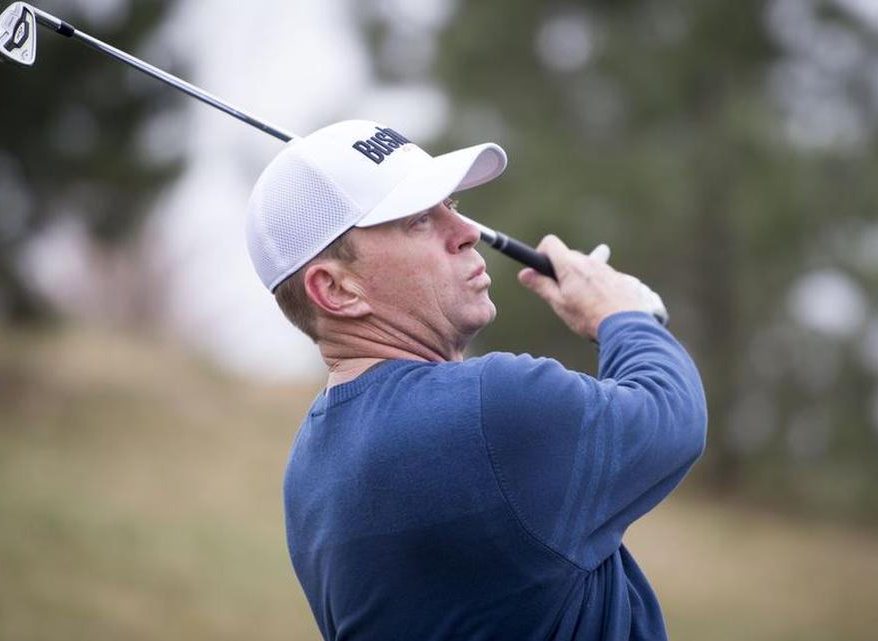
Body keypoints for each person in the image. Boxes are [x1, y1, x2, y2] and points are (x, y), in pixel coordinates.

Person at [246, 119, 707, 641]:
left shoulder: (309, 468)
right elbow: (671, 415)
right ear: (336, 289)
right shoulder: (489, 414)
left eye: (452, 207)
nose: (465, 232)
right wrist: (623, 317)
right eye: (420, 219)